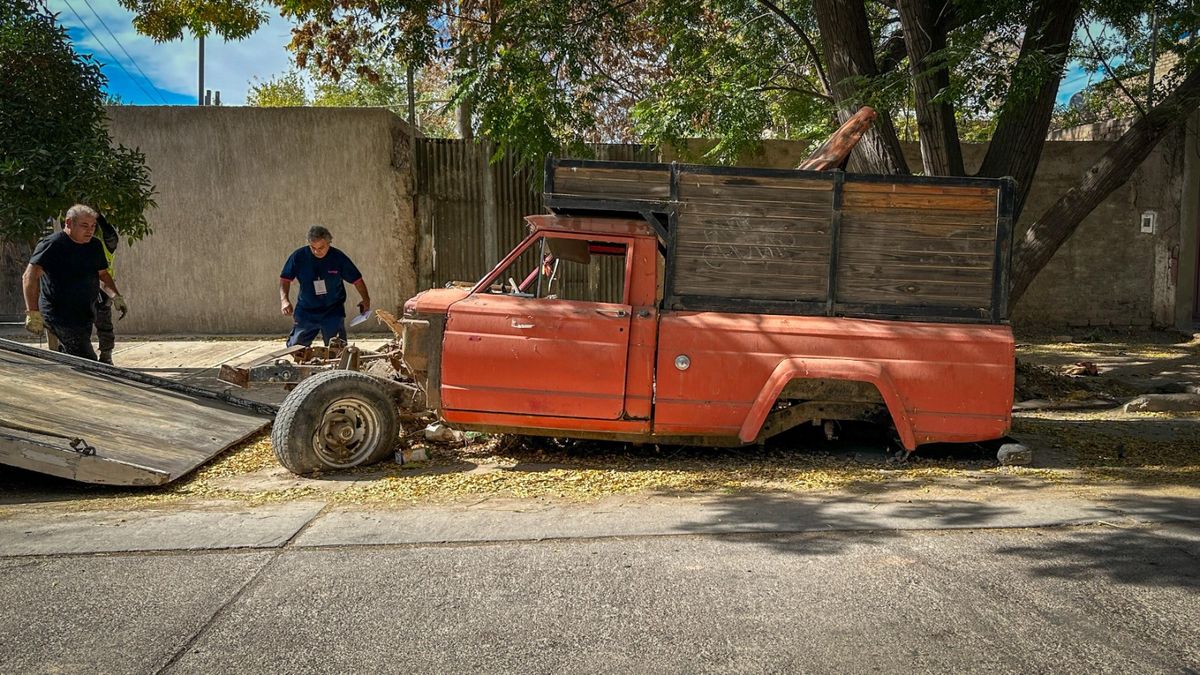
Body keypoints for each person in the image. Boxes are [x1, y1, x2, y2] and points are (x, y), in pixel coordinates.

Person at [23, 204, 129, 360]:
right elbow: (29, 277)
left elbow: (103, 275)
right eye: (84, 225)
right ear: (68, 223)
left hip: (84, 314)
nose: (90, 230)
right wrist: (32, 313)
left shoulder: (95, 246)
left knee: (73, 357)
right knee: (87, 361)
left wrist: (116, 296)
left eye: (93, 226)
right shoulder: (52, 245)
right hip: (58, 314)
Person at [279, 225, 370, 347]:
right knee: (295, 347)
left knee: (337, 348)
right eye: (313, 248)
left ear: (329, 243)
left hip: (332, 308)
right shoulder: (298, 257)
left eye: (321, 248)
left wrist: (366, 299)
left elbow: (357, 280)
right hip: (307, 309)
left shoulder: (338, 258)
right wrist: (284, 300)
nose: (317, 251)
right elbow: (285, 279)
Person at [92, 212, 121, 364]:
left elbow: (111, 235)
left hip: (103, 289)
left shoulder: (104, 244)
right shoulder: (76, 243)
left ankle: (106, 355)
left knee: (104, 324)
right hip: (82, 288)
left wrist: (98, 217)